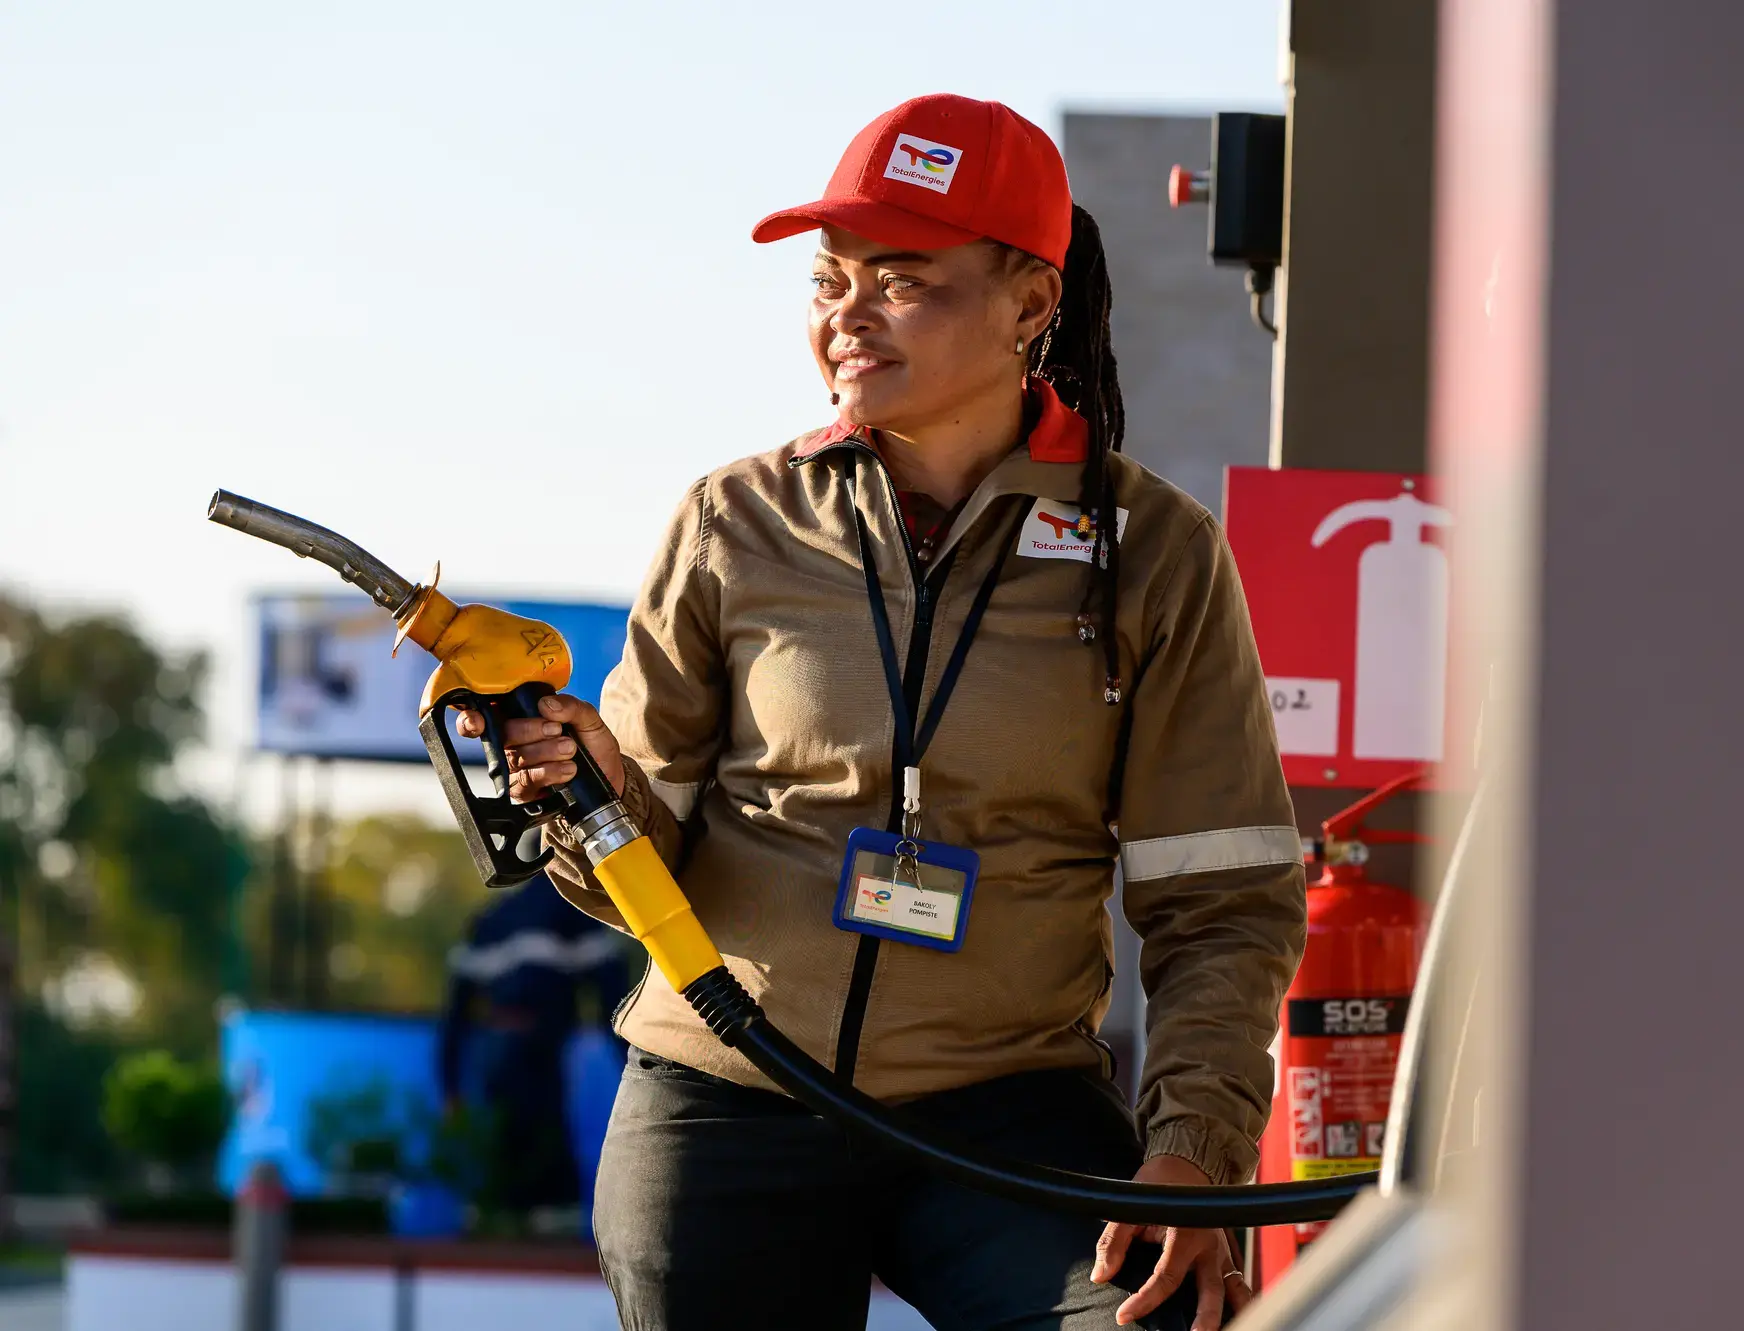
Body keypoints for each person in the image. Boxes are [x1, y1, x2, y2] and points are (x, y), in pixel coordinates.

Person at [462, 93, 1305, 1331]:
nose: (845, 314)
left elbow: (1221, 900)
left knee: (1157, 1323)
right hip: (726, 1086)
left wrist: (1192, 1148)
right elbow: (644, 869)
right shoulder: (732, 521)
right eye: (827, 279)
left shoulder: (1153, 554)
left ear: (1028, 302)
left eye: (900, 280)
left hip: (1006, 1101)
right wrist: (590, 796)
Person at [436, 872, 631, 1212]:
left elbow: (455, 1016)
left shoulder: (492, 916)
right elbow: (613, 998)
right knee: (542, 1128)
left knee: (503, 1134)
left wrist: (450, 1086)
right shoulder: (575, 912)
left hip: (497, 1046)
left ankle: (499, 1209)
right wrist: (631, 1063)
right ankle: (551, 1209)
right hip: (545, 1043)